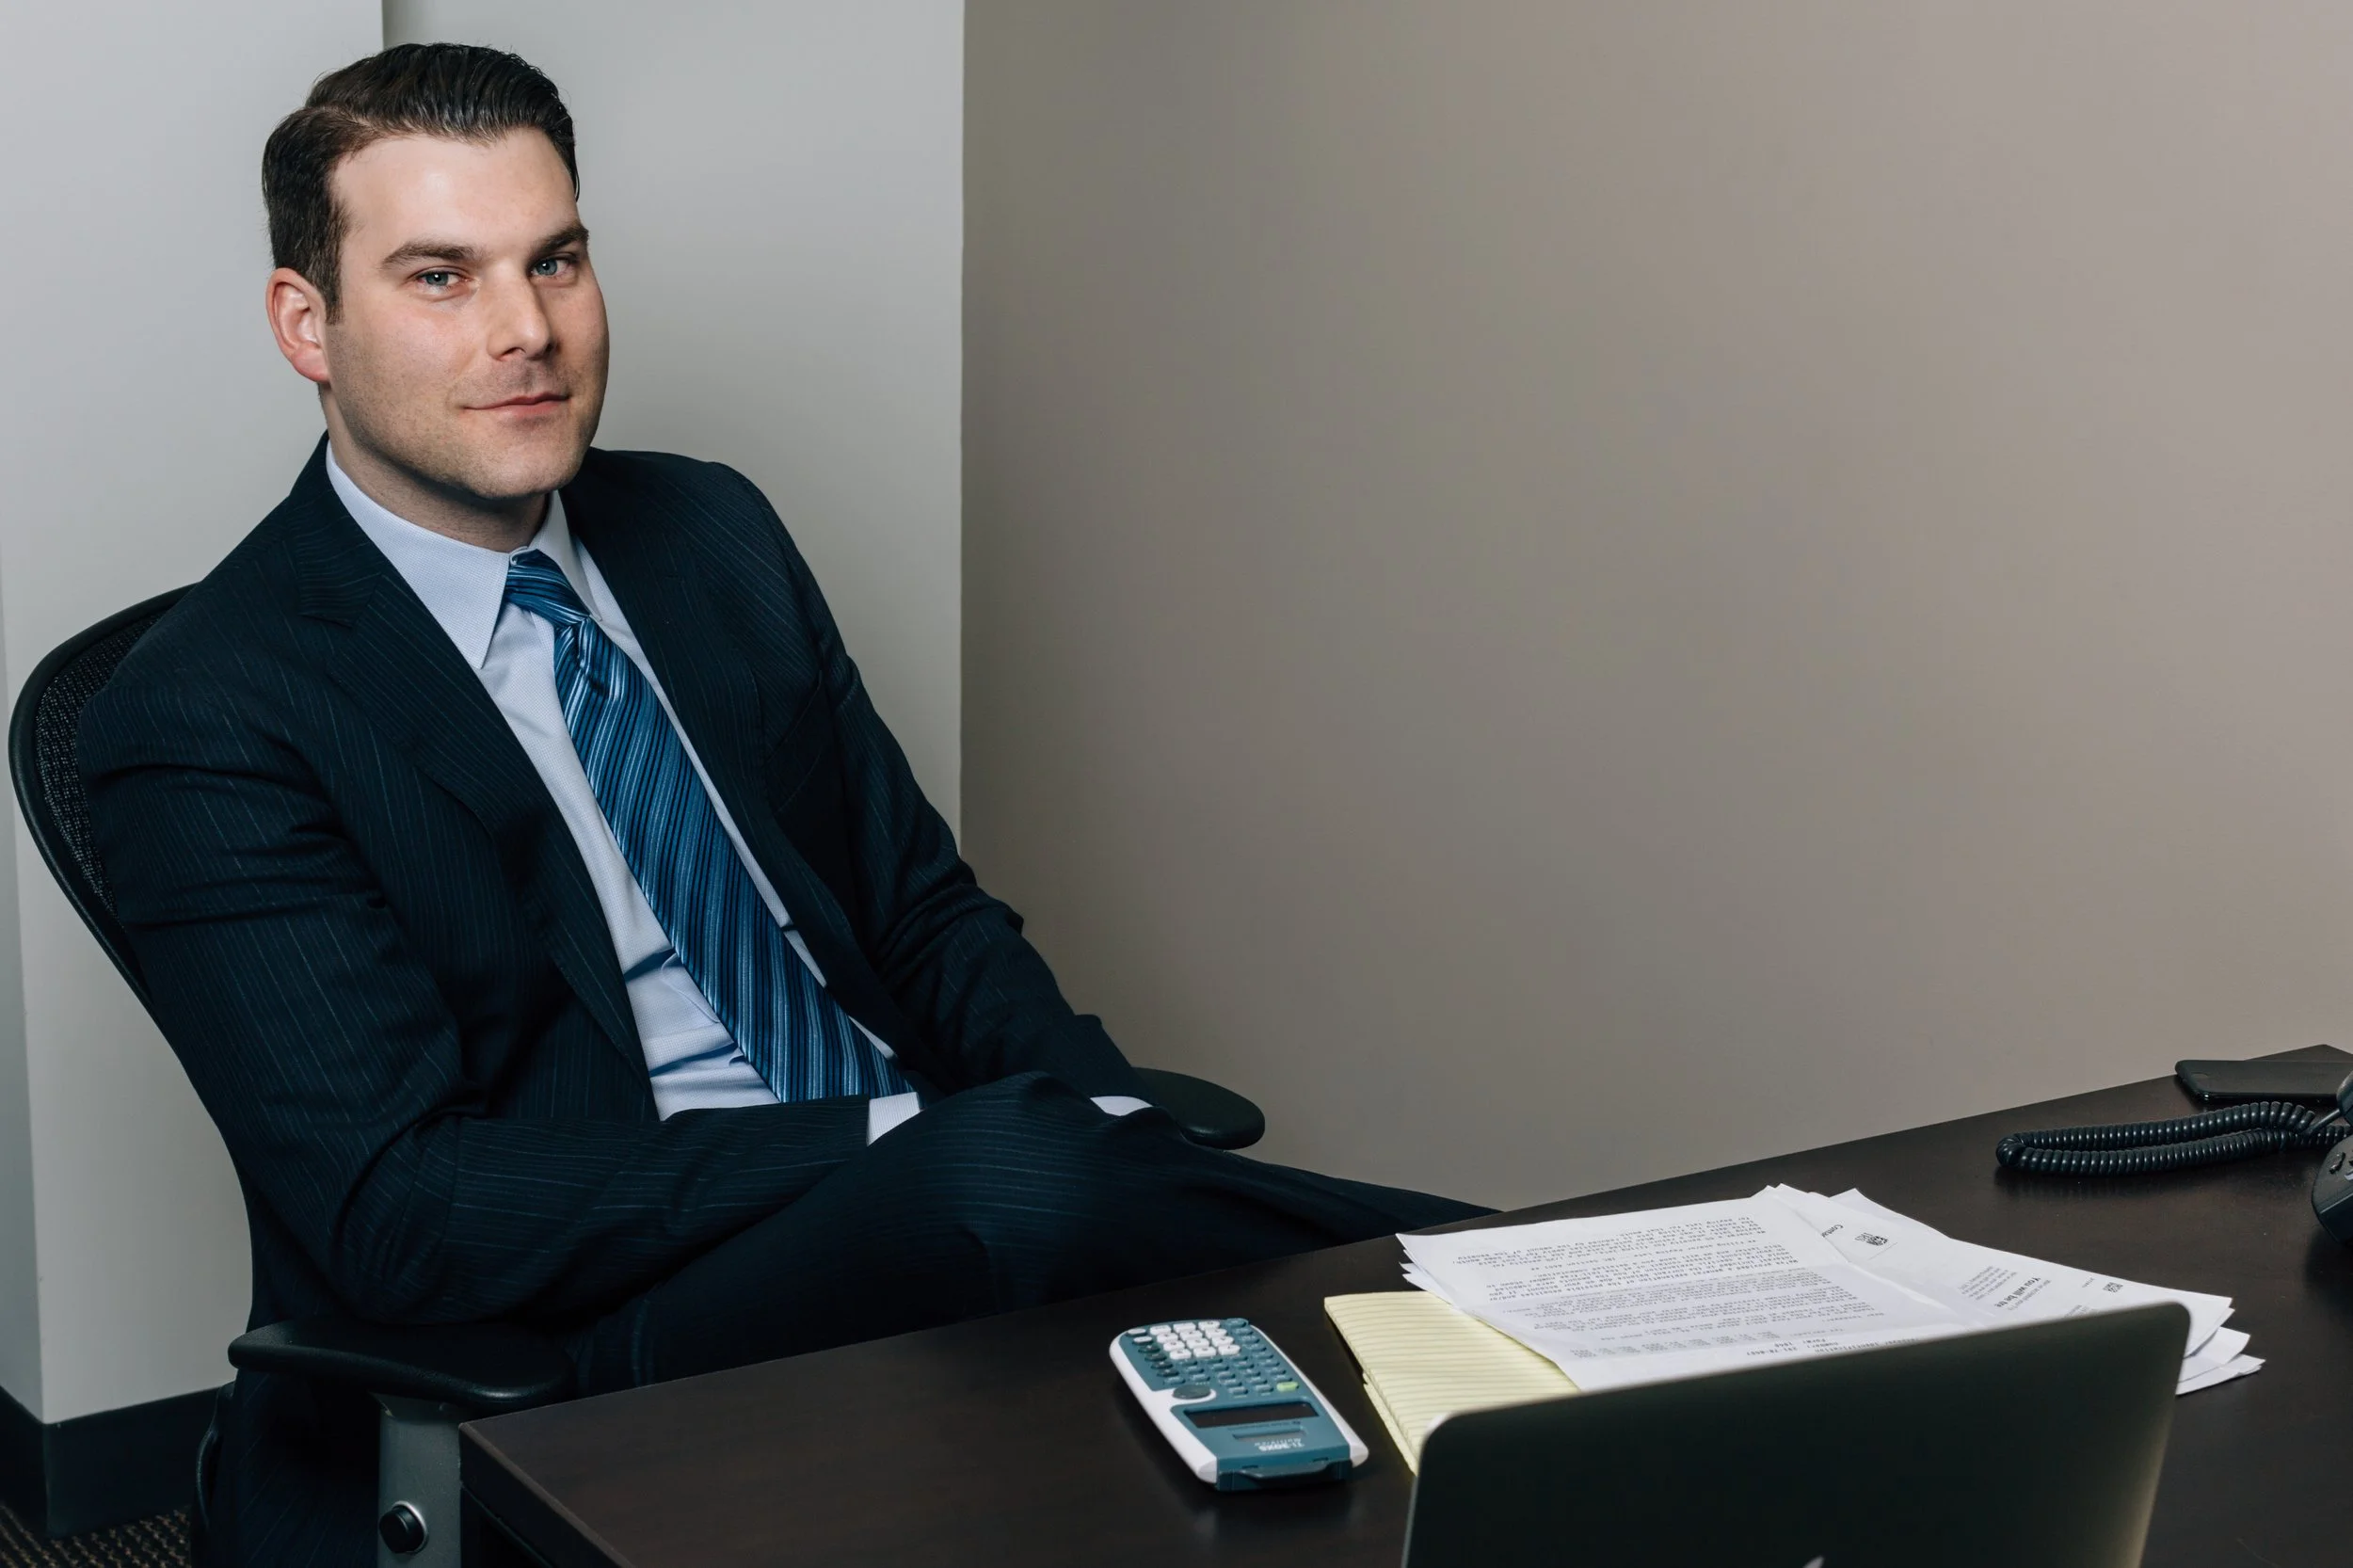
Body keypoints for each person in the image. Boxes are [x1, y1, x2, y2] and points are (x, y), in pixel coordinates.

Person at [79, 43, 1481, 1566]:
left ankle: (1541, 1281)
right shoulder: (208, 704)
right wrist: (901, 1140)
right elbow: (403, 1209)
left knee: (1245, 1347)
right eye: (439, 276)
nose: (527, 329)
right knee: (1026, 1178)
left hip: (939, 1215)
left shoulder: (706, 532)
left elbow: (923, 917)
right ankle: (1484, 1270)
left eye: (557, 258)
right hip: (578, 1344)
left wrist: (1094, 1110)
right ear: (310, 324)